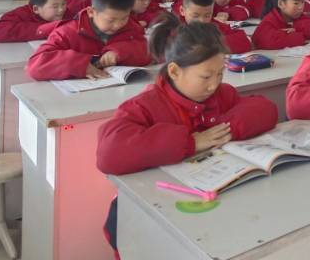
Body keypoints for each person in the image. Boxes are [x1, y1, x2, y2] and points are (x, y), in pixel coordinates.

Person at [96, 17, 277, 256]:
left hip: (205, 205)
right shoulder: (146, 105)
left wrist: (223, 129)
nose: (214, 84)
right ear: (174, 71)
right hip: (150, 212)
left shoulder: (221, 95)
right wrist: (191, 142)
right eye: (206, 77)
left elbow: (265, 109)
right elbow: (109, 153)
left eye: (220, 74)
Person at [26, 0, 151, 80]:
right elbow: (35, 65)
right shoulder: (67, 32)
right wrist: (80, 64)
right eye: (111, 20)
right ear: (91, 12)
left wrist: (120, 52)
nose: (118, 25)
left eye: (124, 18)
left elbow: (148, 51)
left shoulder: (131, 27)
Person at [178, 0, 251, 54]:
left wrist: (209, 44)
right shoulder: (175, 27)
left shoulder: (213, 25)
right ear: (182, 11)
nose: (202, 21)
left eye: (207, 15)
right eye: (195, 16)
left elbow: (245, 41)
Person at [0, 0, 66, 42]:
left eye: (63, 4)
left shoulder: (66, 13)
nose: (61, 9)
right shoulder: (21, 14)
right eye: (55, 6)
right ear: (36, 9)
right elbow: (0, 31)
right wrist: (44, 29)